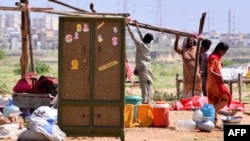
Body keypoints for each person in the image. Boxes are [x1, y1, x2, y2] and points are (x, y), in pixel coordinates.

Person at [126, 19, 154, 104]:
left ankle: (145, 101)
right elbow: (142, 38)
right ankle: (149, 100)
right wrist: (137, 28)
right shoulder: (149, 45)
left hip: (142, 67)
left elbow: (133, 37)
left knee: (144, 84)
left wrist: (128, 26)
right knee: (149, 83)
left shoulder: (141, 45)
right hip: (148, 67)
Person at [206, 42, 232, 128]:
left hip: (212, 83)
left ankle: (213, 122)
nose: (224, 53)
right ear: (219, 49)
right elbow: (210, 71)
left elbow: (215, 68)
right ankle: (212, 110)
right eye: (223, 51)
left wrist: (220, 65)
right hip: (215, 84)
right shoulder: (213, 58)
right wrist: (220, 76)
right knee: (226, 98)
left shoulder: (216, 58)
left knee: (215, 101)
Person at [174, 34, 202, 98]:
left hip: (197, 73)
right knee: (188, 91)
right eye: (189, 41)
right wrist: (177, 39)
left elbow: (202, 58)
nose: (190, 42)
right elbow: (176, 48)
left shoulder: (197, 49)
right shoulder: (184, 49)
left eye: (192, 40)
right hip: (188, 74)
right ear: (186, 41)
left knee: (198, 90)